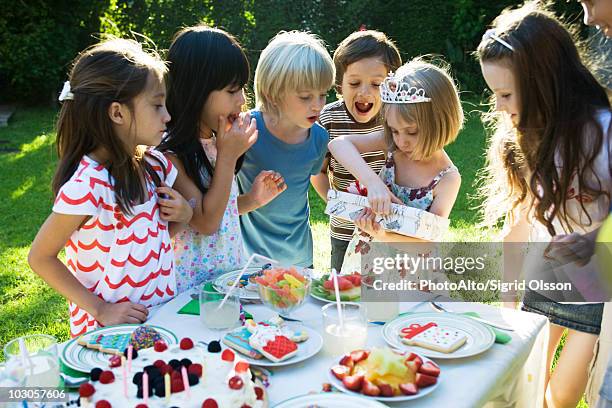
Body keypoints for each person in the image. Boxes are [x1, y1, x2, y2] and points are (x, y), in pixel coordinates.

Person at [476, 3, 611, 406]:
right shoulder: (519, 138)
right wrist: (507, 306)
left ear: (542, 82)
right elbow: (517, 222)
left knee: (562, 398)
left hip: (596, 291)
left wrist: (594, 243)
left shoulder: (603, 135)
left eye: (505, 93)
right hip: (544, 276)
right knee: (528, 389)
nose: (499, 107)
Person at [28, 38, 193, 337]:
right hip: (109, 336)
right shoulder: (88, 185)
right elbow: (40, 257)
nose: (167, 116)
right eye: (157, 105)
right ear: (117, 113)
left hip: (161, 323)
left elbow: (151, 238)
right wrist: (101, 309)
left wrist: (183, 214)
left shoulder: (155, 167)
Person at [158, 25, 286, 293]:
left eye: (242, 89)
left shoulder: (217, 143)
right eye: (231, 91)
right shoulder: (170, 154)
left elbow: (220, 206)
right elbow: (205, 221)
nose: (241, 100)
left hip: (227, 277)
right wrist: (228, 157)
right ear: (195, 91)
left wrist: (252, 200)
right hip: (190, 289)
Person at [328, 58, 463, 274]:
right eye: (394, 130)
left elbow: (427, 242)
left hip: (410, 272)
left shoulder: (447, 178)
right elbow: (338, 144)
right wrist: (373, 183)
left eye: (411, 132)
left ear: (440, 122)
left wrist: (382, 234)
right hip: (367, 260)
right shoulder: (393, 146)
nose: (401, 141)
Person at [237, 31, 335, 268]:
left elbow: (314, 177)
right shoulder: (245, 130)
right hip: (248, 262)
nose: (317, 105)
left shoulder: (319, 137)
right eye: (305, 97)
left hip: (300, 260)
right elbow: (222, 203)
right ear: (273, 95)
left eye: (323, 95)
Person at [312, 29, 401, 273]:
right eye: (354, 83)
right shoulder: (328, 118)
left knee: (383, 296)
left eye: (376, 84)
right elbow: (317, 172)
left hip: (386, 228)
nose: (365, 92)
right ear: (339, 85)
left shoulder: (394, 118)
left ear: (392, 86)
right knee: (341, 293)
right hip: (344, 228)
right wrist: (334, 199)